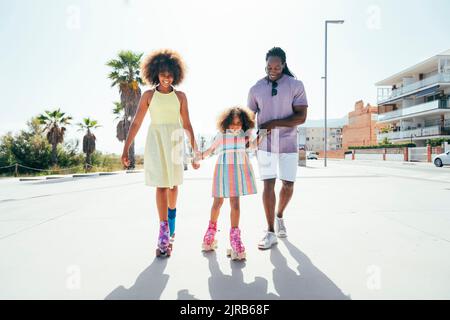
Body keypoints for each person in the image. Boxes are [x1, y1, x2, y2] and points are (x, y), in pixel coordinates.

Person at [121, 49, 200, 258]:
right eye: (163, 73)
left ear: (176, 75)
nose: (166, 77)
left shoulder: (181, 97)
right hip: (155, 140)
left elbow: (187, 124)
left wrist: (195, 150)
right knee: (161, 185)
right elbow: (136, 122)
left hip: (174, 140)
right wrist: (126, 147)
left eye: (170, 74)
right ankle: (163, 233)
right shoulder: (148, 95)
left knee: (173, 186)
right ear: (155, 73)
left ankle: (171, 224)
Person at [247, 47, 308, 250]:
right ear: (265, 65)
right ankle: (270, 231)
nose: (273, 69)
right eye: (269, 66)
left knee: (288, 185)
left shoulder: (296, 85)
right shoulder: (256, 88)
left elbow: (301, 117)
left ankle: (279, 215)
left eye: (277, 66)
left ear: (283, 65)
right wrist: (247, 136)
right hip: (265, 144)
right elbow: (249, 116)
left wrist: (273, 123)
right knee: (268, 186)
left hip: (289, 143)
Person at [199, 107, 266, 261]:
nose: (235, 126)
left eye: (239, 123)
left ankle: (235, 239)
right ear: (226, 123)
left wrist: (262, 134)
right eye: (232, 123)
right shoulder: (222, 136)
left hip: (237, 174)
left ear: (244, 123)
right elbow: (210, 150)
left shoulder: (245, 136)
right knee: (217, 203)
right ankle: (209, 235)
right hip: (223, 172)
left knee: (235, 204)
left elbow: (254, 146)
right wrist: (199, 157)